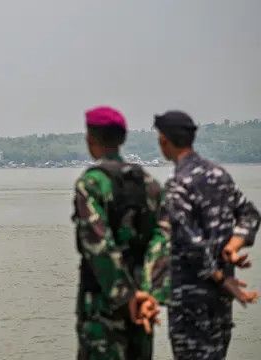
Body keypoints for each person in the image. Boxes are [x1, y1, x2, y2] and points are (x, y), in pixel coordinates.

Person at [153, 110, 260, 359]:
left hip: (191, 300)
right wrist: (233, 246)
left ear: (164, 141)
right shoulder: (218, 175)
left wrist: (221, 279)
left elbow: (189, 243)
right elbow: (250, 215)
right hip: (221, 301)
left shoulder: (178, 184)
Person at [73, 106, 168, 360]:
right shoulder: (148, 183)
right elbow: (163, 238)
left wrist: (127, 297)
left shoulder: (91, 184)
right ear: (123, 139)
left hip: (104, 310)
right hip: (143, 307)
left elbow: (99, 244)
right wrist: (148, 293)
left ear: (90, 139)